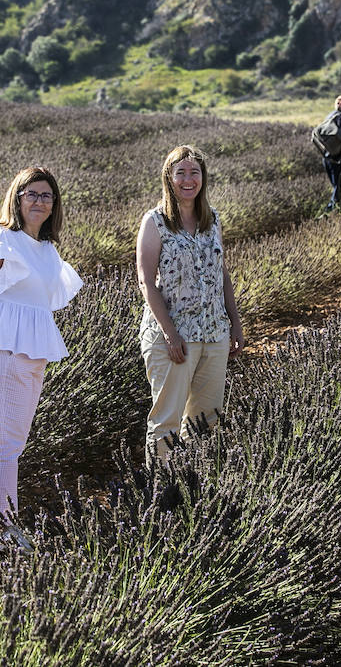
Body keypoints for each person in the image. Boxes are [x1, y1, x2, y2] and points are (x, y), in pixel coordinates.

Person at [0, 167, 82, 551]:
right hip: (3, 349)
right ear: (17, 197)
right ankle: (0, 530)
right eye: (32, 194)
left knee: (9, 442)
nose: (40, 202)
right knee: (6, 444)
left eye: (47, 196)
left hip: (30, 352)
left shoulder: (46, 249)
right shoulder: (3, 240)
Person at [136, 145, 244, 465]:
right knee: (167, 421)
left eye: (194, 172)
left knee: (207, 421)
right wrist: (170, 334)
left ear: (203, 178)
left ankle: (193, 486)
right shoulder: (155, 222)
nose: (188, 179)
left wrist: (234, 323)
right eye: (180, 172)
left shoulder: (213, 220)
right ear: (168, 178)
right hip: (175, 336)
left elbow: (220, 272)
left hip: (214, 333)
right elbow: (145, 281)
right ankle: (160, 493)